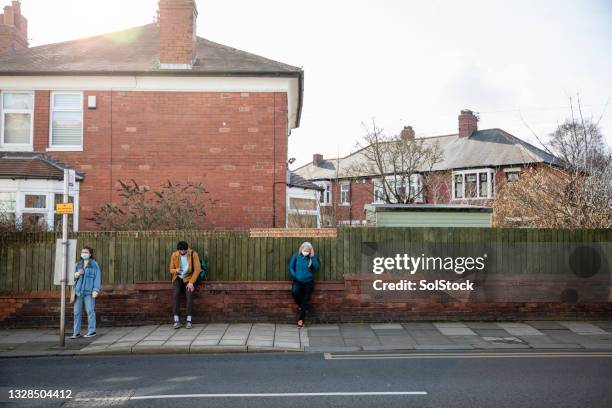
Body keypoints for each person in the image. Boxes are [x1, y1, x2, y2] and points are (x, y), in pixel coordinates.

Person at [70, 246, 101, 339]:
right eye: (82, 252)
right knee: (76, 312)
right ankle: (76, 332)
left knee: (90, 311)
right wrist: (77, 274)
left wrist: (96, 290)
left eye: (86, 252)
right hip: (78, 292)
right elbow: (72, 278)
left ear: (90, 254)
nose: (84, 254)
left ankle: (92, 331)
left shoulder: (94, 265)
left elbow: (97, 278)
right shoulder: (78, 264)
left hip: (89, 292)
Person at [169, 241, 202, 329]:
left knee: (189, 295)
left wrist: (191, 282)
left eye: (185, 250)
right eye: (181, 250)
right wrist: (176, 270)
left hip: (189, 277)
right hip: (178, 277)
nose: (183, 252)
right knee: (175, 294)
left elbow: (197, 270)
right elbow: (171, 269)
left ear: (187, 249)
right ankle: (176, 320)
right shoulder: (174, 255)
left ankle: (189, 320)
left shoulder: (193, 254)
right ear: (178, 250)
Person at [289, 241, 320, 328]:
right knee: (295, 292)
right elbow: (291, 267)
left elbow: (317, 267)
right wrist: (295, 275)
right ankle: (302, 306)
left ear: (310, 251)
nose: (305, 252)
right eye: (304, 250)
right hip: (298, 280)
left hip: (308, 282)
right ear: (301, 249)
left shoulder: (311, 258)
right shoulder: (296, 255)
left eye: (308, 251)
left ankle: (300, 320)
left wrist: (313, 256)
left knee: (306, 299)